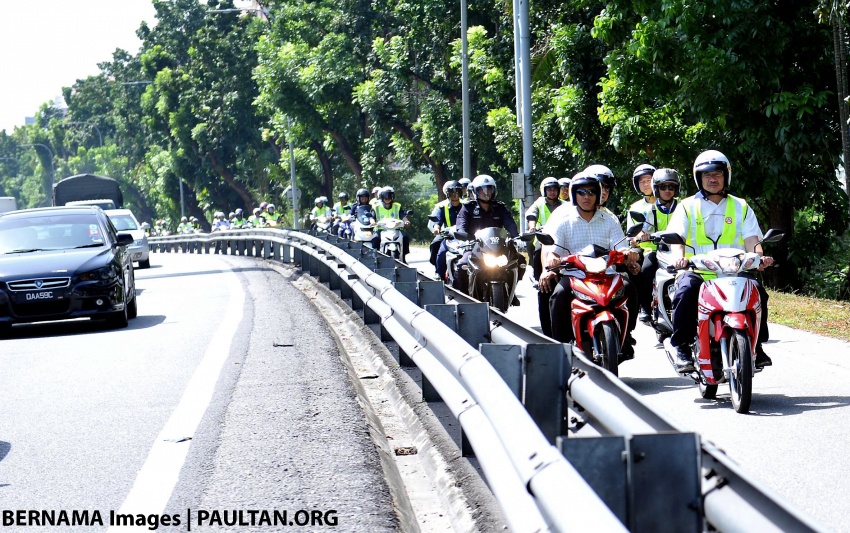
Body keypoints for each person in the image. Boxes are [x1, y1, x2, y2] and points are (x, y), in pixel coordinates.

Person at [665, 150, 774, 372]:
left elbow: (753, 239)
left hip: (734, 271)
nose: (712, 179)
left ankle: (757, 345)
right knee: (685, 291)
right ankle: (683, 347)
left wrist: (760, 257)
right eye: (706, 175)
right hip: (698, 270)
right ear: (698, 178)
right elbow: (677, 237)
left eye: (717, 174)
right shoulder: (686, 206)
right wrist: (679, 258)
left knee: (758, 292)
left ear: (726, 176)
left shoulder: (740, 206)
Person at [538, 172, 640, 358]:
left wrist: (629, 255)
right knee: (558, 295)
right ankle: (561, 348)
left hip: (606, 274)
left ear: (598, 195)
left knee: (630, 288)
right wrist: (552, 260)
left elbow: (622, 247)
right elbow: (553, 249)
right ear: (574, 194)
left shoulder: (609, 219)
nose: (587, 197)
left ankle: (626, 335)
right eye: (582, 192)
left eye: (592, 192)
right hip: (575, 275)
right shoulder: (564, 220)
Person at [454, 174, 525, 294]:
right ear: (476, 191)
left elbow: (510, 224)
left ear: (494, 190)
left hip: (499, 247)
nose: (486, 193)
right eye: (482, 190)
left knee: (520, 261)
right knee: (462, 265)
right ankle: (462, 295)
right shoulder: (468, 208)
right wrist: (462, 234)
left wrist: (516, 236)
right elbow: (461, 224)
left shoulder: (500, 207)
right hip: (475, 247)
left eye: (489, 189)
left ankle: (510, 290)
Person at [631, 168, 681, 323]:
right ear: (657, 189)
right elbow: (641, 231)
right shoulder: (650, 210)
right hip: (656, 249)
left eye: (671, 187)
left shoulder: (683, 207)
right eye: (663, 187)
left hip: (680, 250)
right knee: (646, 270)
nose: (667, 190)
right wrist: (642, 236)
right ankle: (645, 308)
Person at [525, 177, 564, 337]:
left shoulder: (564, 205)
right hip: (545, 240)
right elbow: (531, 216)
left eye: (555, 189)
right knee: (538, 250)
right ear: (544, 190)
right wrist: (533, 227)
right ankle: (538, 275)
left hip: (563, 242)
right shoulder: (539, 203)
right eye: (549, 189)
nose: (552, 192)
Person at [431, 180, 465, 280]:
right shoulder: (443, 207)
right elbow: (438, 221)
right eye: (452, 192)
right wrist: (436, 228)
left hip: (464, 235)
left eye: (457, 192)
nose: (454, 195)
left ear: (461, 193)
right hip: (449, 235)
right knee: (439, 248)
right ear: (447, 194)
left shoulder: (466, 205)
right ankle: (439, 273)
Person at [371, 186, 411, 261]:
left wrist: (406, 221)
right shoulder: (376, 206)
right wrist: (372, 222)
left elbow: (402, 215)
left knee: (405, 238)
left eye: (389, 196)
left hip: (396, 229)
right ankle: (375, 259)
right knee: (375, 239)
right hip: (381, 229)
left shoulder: (397, 206)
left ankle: (403, 257)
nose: (387, 198)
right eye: (385, 196)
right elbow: (372, 217)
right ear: (381, 197)